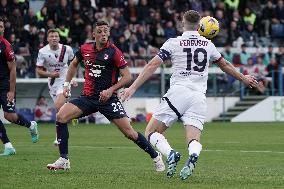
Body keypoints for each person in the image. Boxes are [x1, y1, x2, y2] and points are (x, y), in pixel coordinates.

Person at [121, 10, 258, 180]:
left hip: (179, 91)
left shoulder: (173, 42)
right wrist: (244, 78)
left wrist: (132, 88)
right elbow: (225, 64)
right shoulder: (208, 45)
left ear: (182, 23)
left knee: (151, 132)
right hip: (199, 96)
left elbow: (152, 65)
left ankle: (171, 154)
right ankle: (193, 155)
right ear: (200, 24)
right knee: (193, 139)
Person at [46, 21, 165, 172]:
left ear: (109, 33)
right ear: (93, 34)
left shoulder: (114, 52)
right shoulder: (85, 48)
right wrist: (66, 85)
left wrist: (111, 90)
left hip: (108, 100)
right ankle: (64, 159)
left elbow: (127, 77)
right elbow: (74, 64)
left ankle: (155, 156)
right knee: (61, 116)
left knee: (129, 133)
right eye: (100, 31)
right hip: (88, 97)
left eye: (105, 31)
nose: (103, 34)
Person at [0, 18, 39, 156]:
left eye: (1, 26)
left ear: (4, 29)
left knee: (10, 116)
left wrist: (11, 91)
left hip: (5, 86)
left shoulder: (6, 46)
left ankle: (31, 125)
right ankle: (8, 146)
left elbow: (12, 70)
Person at [36, 29, 77, 145]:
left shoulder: (67, 49)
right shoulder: (42, 52)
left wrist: (72, 78)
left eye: (56, 36)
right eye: (51, 36)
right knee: (60, 110)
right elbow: (38, 70)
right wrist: (50, 74)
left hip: (65, 79)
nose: (54, 38)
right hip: (52, 81)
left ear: (59, 38)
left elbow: (73, 64)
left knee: (58, 105)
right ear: (48, 39)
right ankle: (74, 113)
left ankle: (58, 136)